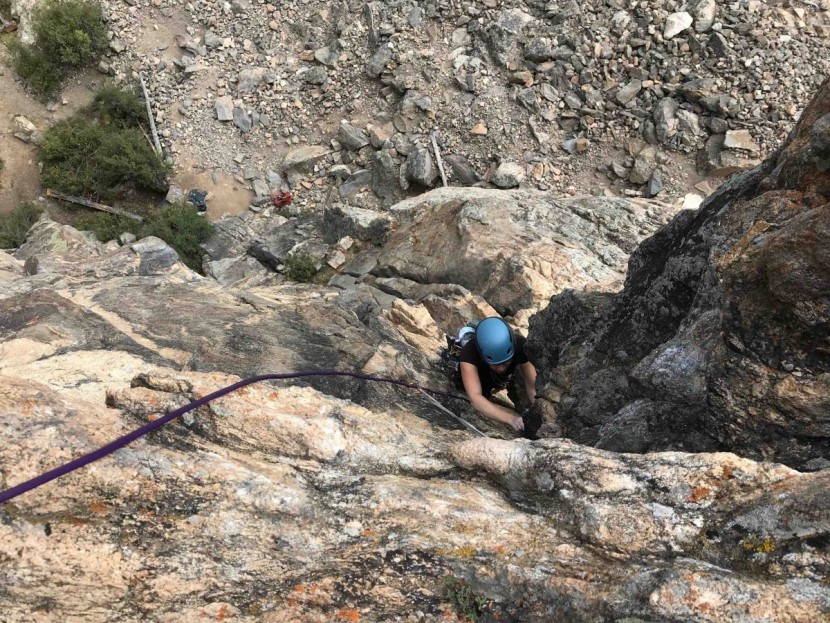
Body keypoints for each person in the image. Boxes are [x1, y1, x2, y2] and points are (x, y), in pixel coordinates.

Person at [458, 317, 537, 432]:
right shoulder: (469, 355)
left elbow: (532, 386)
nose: (501, 368)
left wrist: (540, 410)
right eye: (496, 364)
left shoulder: (520, 346)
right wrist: (511, 419)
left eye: (506, 363)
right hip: (480, 376)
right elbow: (475, 398)